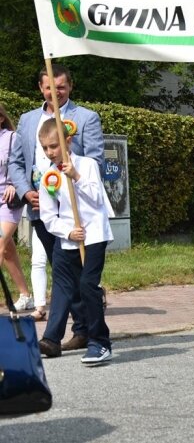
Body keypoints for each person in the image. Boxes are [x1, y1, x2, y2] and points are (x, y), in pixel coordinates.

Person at [9, 63, 104, 351]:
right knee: (62, 270)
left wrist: (69, 182)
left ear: (70, 86)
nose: (55, 92)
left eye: (61, 87)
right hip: (41, 208)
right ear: (41, 88)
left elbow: (96, 161)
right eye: (49, 87)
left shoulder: (86, 118)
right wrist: (27, 192)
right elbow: (17, 162)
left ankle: (77, 331)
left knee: (70, 272)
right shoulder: (27, 120)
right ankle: (81, 328)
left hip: (75, 210)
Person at [36, 119, 114, 364]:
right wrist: (67, 231)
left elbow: (97, 201)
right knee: (61, 287)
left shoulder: (88, 165)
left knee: (88, 286)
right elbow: (48, 215)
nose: (50, 152)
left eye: (54, 146)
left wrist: (76, 177)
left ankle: (100, 342)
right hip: (68, 237)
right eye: (46, 148)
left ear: (67, 141)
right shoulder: (49, 176)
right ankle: (51, 339)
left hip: (93, 236)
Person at [0, 105, 32, 314]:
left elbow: (24, 165)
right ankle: (25, 295)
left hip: (8, 201)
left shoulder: (13, 138)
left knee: (0, 244)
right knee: (8, 250)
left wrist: (15, 184)